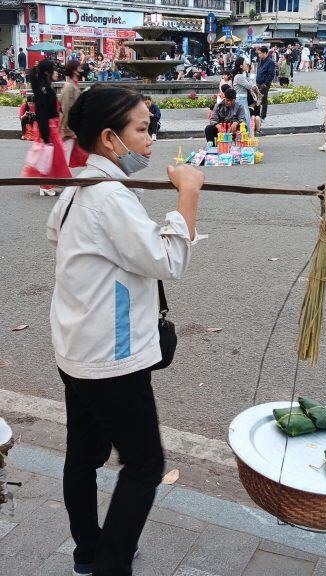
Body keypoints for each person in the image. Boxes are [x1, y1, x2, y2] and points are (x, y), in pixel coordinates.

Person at [46, 84, 202, 576]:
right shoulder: (107, 196)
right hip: (110, 358)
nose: (151, 136)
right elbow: (167, 259)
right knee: (144, 466)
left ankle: (87, 553)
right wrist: (188, 194)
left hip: (76, 348)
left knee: (83, 455)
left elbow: (67, 236)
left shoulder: (84, 187)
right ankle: (110, 566)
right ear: (111, 139)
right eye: (142, 128)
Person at [24, 59, 70, 197]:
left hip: (51, 126)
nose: (56, 72)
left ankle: (50, 183)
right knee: (49, 157)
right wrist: (45, 135)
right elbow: (42, 113)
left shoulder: (44, 87)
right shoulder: (44, 90)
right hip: (48, 127)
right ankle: (45, 185)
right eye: (54, 70)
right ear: (47, 72)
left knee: (55, 156)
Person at [231, 57, 256, 136]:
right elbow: (250, 86)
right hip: (240, 100)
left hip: (243, 100)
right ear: (241, 66)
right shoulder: (239, 76)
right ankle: (244, 139)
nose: (247, 65)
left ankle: (245, 139)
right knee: (244, 120)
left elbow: (250, 83)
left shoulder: (240, 75)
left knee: (246, 119)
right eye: (245, 63)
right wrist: (252, 75)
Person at [254, 47, 276, 131]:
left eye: (260, 53)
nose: (259, 55)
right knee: (258, 99)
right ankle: (258, 115)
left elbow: (271, 74)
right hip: (258, 83)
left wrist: (265, 83)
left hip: (264, 84)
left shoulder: (270, 62)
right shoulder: (261, 61)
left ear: (265, 53)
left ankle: (262, 116)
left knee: (263, 99)